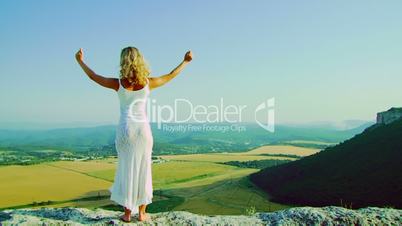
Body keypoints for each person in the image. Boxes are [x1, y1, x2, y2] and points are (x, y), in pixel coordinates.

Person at [75, 46, 193, 222]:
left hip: (125, 130)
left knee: (126, 169)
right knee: (144, 169)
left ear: (123, 61)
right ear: (140, 60)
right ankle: (142, 213)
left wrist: (80, 61)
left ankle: (127, 214)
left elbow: (93, 76)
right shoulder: (148, 83)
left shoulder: (118, 83)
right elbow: (170, 75)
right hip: (143, 131)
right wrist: (185, 61)